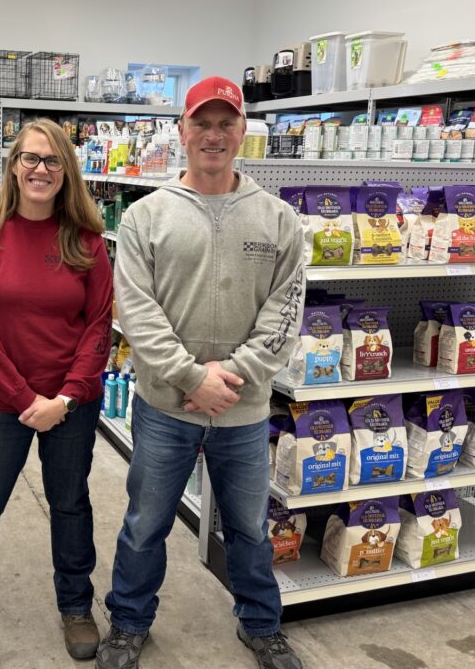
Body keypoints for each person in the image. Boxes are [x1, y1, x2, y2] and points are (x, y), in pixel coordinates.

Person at [96, 77, 306, 669]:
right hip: (165, 408)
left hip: (243, 410)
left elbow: (285, 314)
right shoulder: (146, 216)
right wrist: (192, 378)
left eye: (226, 124)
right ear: (182, 131)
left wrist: (230, 378)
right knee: (145, 524)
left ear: (242, 132)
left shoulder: (278, 218)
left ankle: (261, 625)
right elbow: (136, 311)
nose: (213, 136)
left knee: (250, 528)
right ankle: (129, 623)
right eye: (202, 124)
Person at [0, 118, 114, 661]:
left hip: (71, 406)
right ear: (12, 166)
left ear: (66, 172)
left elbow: (99, 324)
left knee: (71, 504)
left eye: (52, 161)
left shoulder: (86, 240)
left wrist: (68, 396)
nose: (40, 169)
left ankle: (76, 607)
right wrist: (23, 398)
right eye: (30, 159)